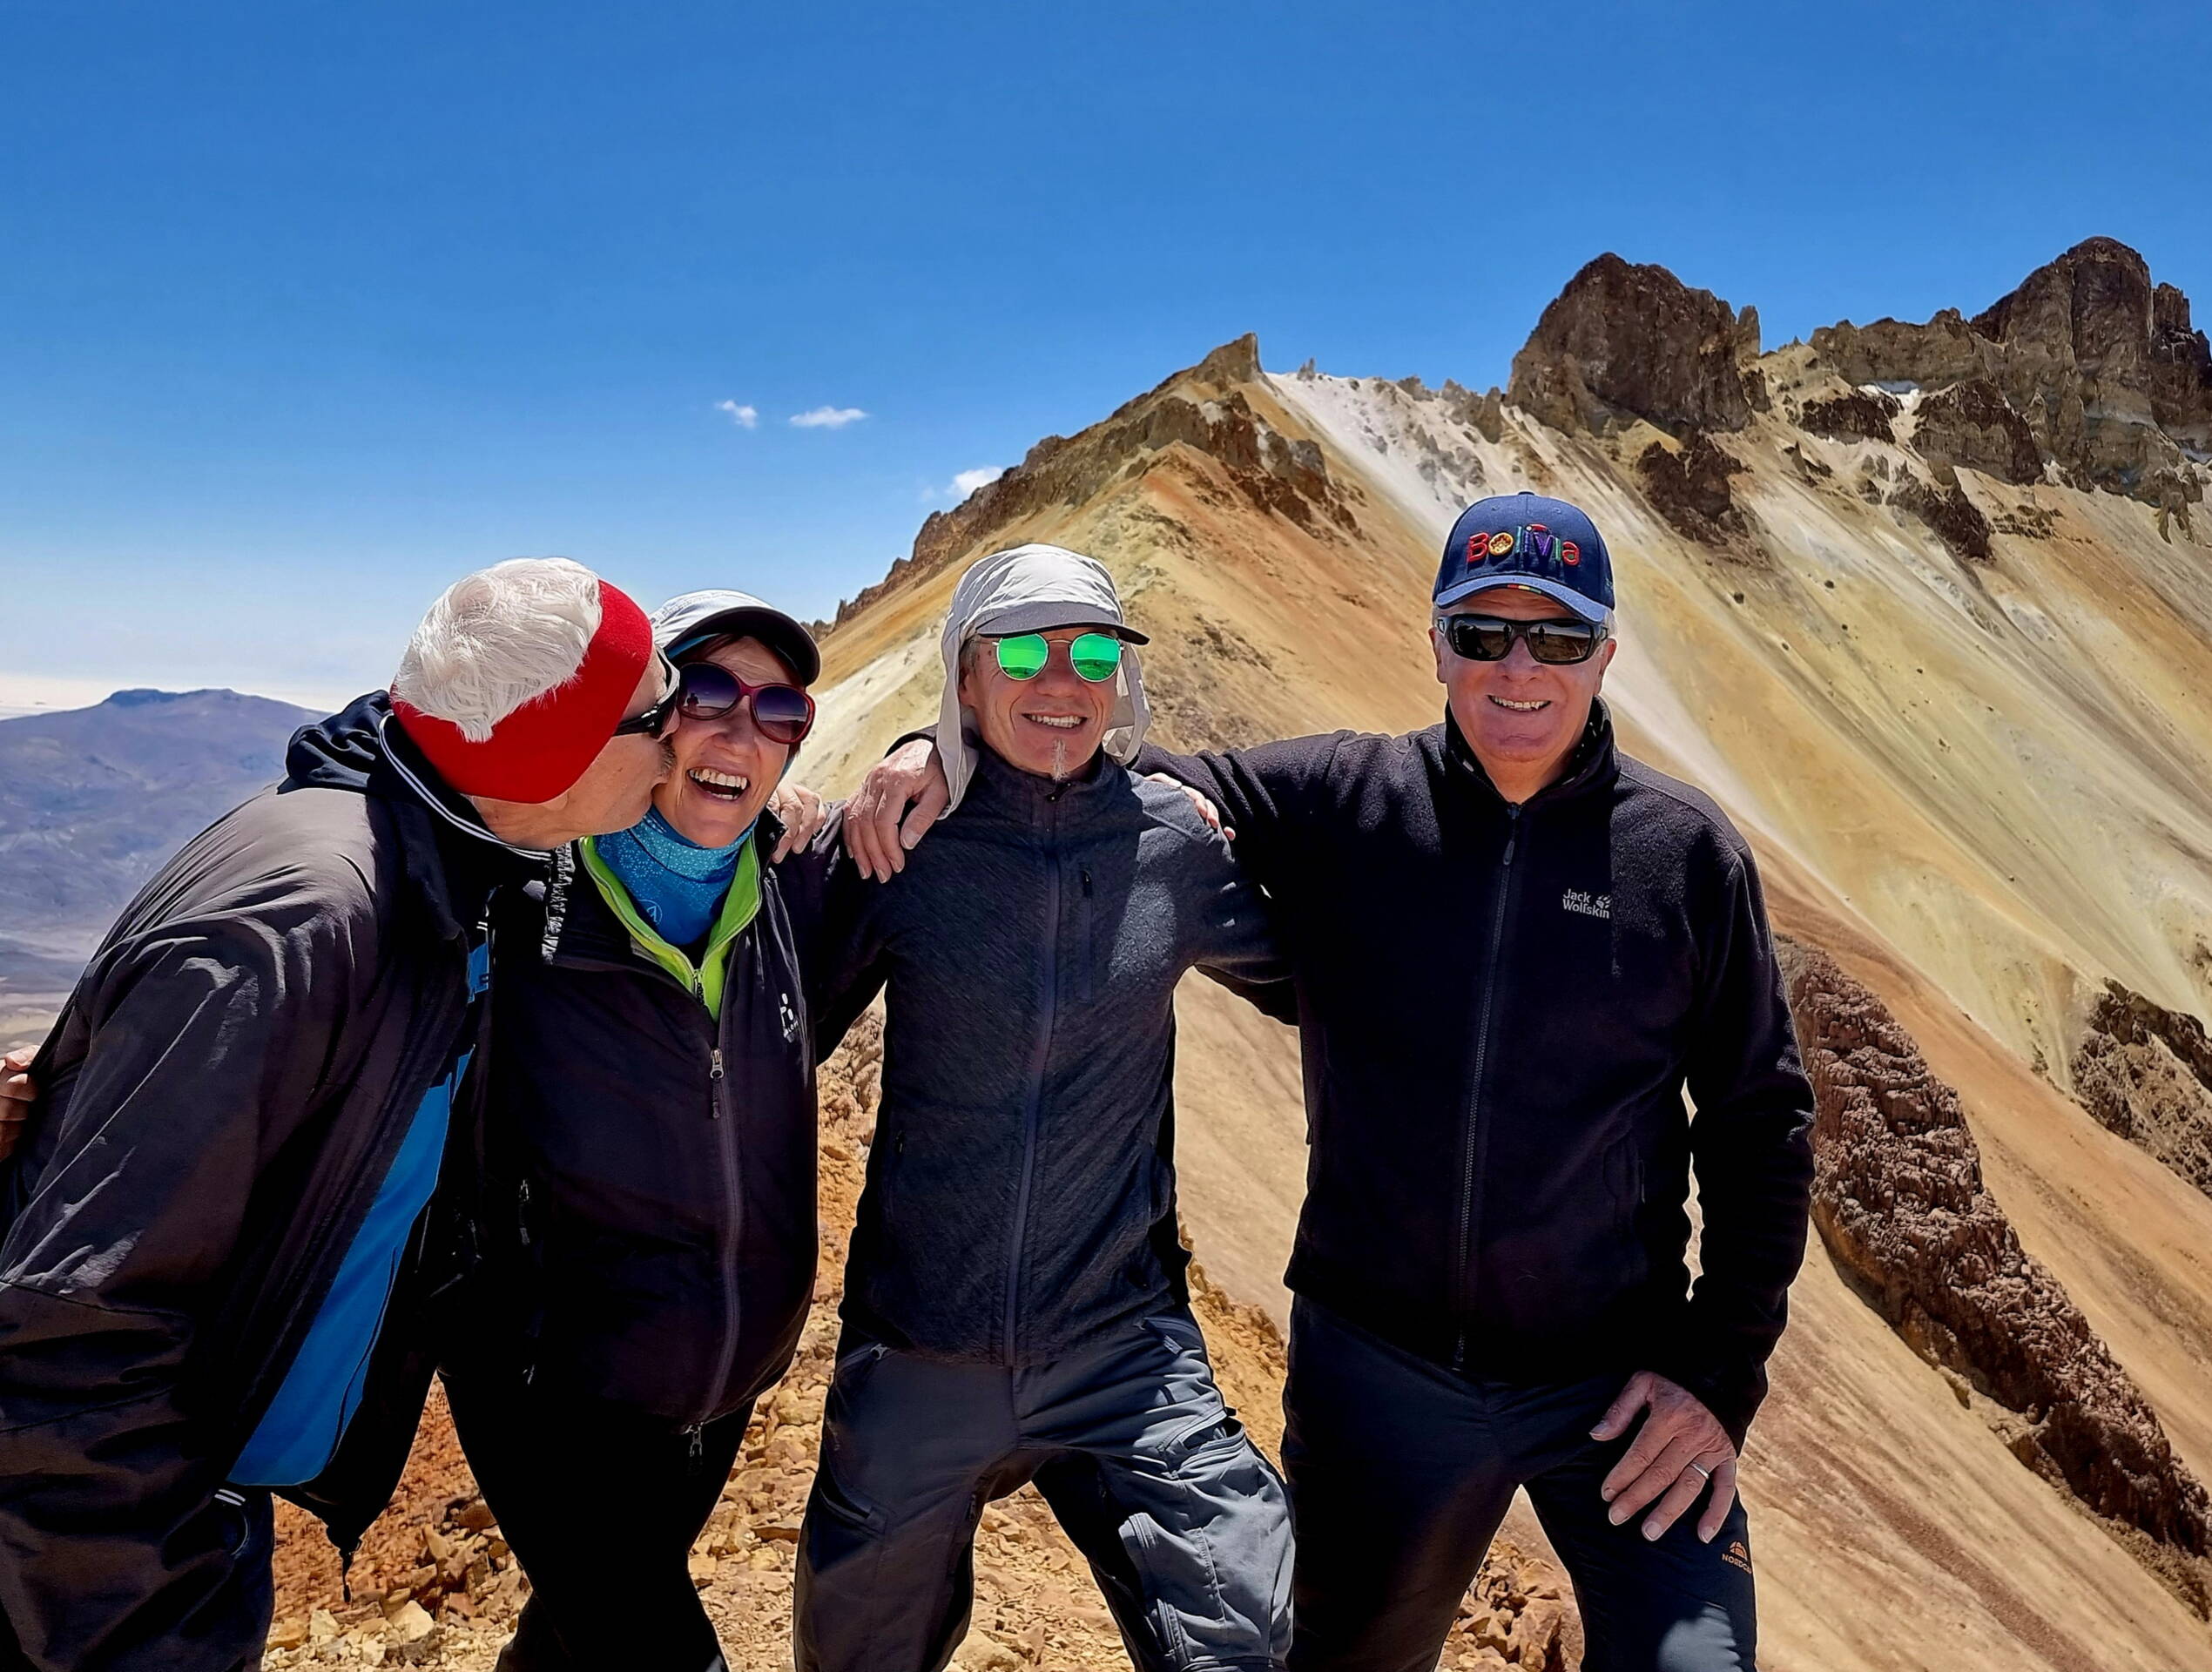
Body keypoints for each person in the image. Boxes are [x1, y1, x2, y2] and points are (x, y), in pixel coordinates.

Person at [846, 496, 1817, 1672]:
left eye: (1556, 637)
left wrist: (1715, 1374)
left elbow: (1762, 1124)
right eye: (1482, 633)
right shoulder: (1344, 800)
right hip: (1378, 1375)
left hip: (1611, 1389)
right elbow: (1087, 759)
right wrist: (928, 750)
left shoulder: (1686, 853)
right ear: (1437, 644)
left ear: (1604, 653)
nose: (1518, 668)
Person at [0, 559, 678, 1672]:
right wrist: (147, 1629)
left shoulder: (442, 856)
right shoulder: (310, 923)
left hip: (198, 1480)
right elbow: (77, 1323)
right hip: (112, 1555)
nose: (680, 743)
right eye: (657, 716)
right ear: (556, 752)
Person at [790, 544, 1295, 1672]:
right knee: (856, 1654)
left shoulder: (1174, 846)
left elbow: (1329, 991)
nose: (1061, 681)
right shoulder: (904, 842)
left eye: (1094, 655)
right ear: (964, 680)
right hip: (920, 1347)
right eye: (1021, 653)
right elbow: (775, 1039)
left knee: (1253, 1627)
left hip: (1125, 1352)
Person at [442, 590, 826, 1672]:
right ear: (647, 716)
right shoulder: (513, 894)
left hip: (721, 1385)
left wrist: (915, 751)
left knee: (574, 1640)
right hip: (550, 1392)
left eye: (777, 712)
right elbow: (378, 791)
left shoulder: (803, 892)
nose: (739, 734)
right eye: (705, 694)